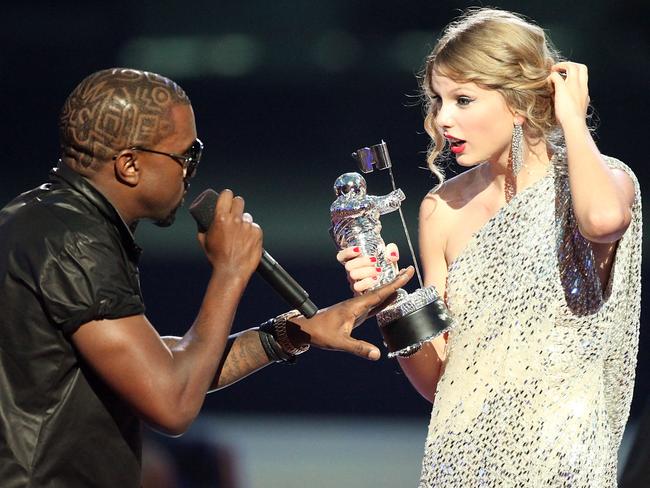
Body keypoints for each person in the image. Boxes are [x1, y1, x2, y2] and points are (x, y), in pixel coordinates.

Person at [0, 67, 415, 487]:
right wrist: (231, 269)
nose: (192, 171)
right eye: (186, 156)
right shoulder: (74, 241)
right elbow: (171, 402)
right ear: (129, 165)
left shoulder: (48, 221)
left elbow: (155, 363)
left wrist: (293, 332)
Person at [337, 8, 641, 487]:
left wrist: (572, 120)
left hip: (561, 462)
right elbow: (441, 381)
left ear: (517, 102)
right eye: (437, 101)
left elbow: (603, 222)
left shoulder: (606, 183)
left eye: (463, 99)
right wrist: (390, 299)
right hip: (459, 461)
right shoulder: (442, 209)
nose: (443, 119)